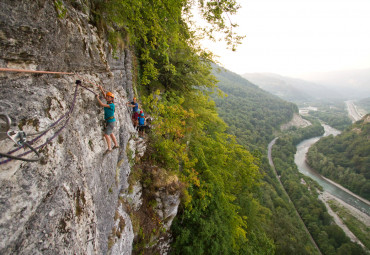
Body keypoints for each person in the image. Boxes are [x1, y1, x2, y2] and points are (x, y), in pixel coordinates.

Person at [96, 85, 119, 155]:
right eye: (107, 96)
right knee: (111, 133)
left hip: (111, 122)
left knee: (106, 134)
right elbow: (105, 96)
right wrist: (101, 89)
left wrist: (97, 98)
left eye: (109, 97)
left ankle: (109, 148)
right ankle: (116, 144)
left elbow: (102, 104)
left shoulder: (111, 105)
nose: (107, 97)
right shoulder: (109, 102)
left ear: (112, 99)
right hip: (110, 121)